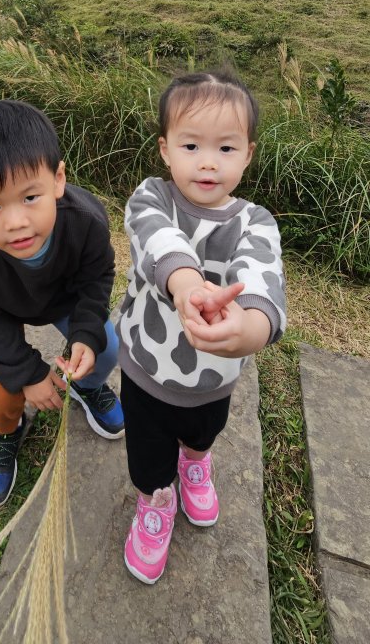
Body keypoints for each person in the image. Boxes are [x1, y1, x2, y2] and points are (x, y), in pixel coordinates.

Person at [118, 70, 286, 584]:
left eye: (226, 148)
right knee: (149, 454)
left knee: (204, 432)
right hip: (147, 366)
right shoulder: (151, 198)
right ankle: (157, 499)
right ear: (166, 150)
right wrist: (189, 286)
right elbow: (157, 240)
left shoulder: (256, 221)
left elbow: (262, 272)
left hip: (215, 374)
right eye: (192, 145)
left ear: (248, 154)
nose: (208, 161)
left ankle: (195, 465)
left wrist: (253, 329)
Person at [0, 99, 125, 508]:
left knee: (107, 346)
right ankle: (3, 433)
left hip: (62, 297)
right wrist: (28, 373)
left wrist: (86, 333)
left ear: (58, 180)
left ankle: (85, 388)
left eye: (30, 197)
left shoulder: (86, 221)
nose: (16, 222)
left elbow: (96, 279)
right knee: (4, 394)